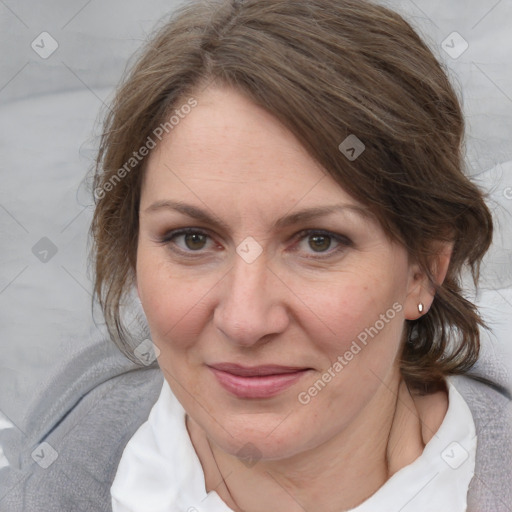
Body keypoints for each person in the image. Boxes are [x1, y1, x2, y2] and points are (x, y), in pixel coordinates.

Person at [2, 0, 510, 511]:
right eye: (193, 239)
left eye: (318, 241)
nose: (245, 321)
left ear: (424, 269)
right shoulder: (60, 472)